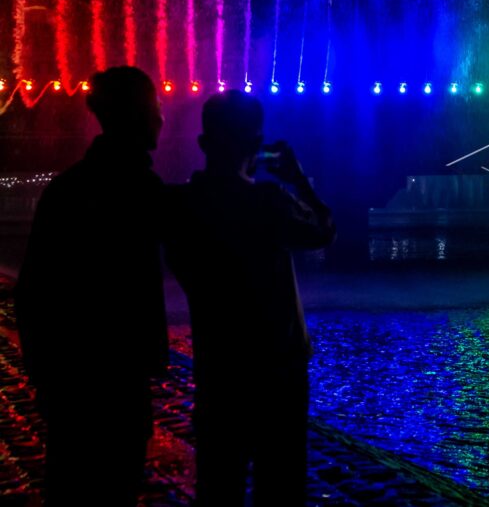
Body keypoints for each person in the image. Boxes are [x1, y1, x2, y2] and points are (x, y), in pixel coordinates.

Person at [163, 90, 334, 506]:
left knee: (219, 484)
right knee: (280, 484)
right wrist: (298, 181)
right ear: (257, 145)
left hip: (218, 368)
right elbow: (323, 231)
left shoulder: (181, 205)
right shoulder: (267, 201)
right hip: (278, 372)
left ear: (204, 143)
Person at [15, 66, 168, 506]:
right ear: (136, 115)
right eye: (154, 109)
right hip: (119, 372)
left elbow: (33, 289)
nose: (161, 120)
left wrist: (42, 372)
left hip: (70, 375)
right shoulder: (142, 190)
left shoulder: (67, 188)